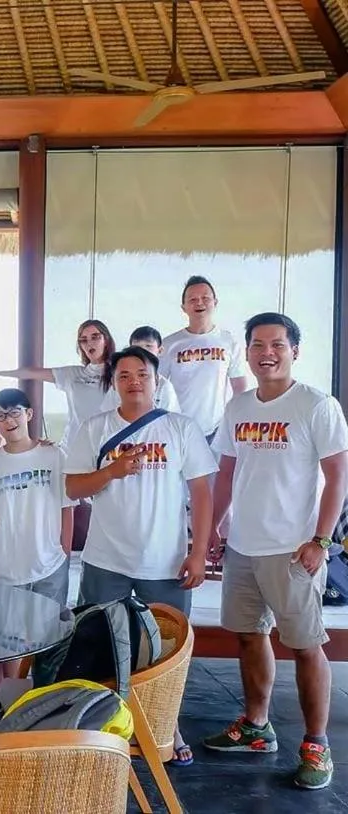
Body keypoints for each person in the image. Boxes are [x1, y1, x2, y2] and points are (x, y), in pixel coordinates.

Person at [201, 313, 348, 791]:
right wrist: (214, 528)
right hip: (243, 545)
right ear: (247, 351)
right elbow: (226, 472)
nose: (268, 352)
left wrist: (321, 541)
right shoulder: (239, 406)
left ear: (294, 351)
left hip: (293, 550)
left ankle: (316, 743)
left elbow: (337, 477)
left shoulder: (316, 405)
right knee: (248, 636)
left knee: (306, 646)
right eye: (258, 343)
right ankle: (257, 728)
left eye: (278, 344)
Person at [64, 345, 216, 766]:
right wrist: (111, 472)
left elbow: (202, 494)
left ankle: (168, 726)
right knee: (96, 641)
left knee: (167, 647)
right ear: (113, 382)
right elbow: (74, 489)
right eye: (124, 375)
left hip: (164, 560)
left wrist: (199, 552)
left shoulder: (181, 429)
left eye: (142, 374)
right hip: (105, 558)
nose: (134, 382)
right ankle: (98, 726)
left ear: (156, 380)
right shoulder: (94, 428)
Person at [0, 388, 75, 708]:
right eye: (0, 415)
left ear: (29, 414)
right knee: (9, 640)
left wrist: (64, 549)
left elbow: (67, 506)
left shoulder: (54, 455)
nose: (8, 420)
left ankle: (45, 703)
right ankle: (10, 704)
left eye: (14, 412)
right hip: (8, 564)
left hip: (50, 563)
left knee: (49, 637)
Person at [0, 319, 116, 451]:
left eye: (95, 337)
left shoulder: (118, 374)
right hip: (72, 449)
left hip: (107, 449)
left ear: (106, 340)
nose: (89, 343)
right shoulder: (73, 374)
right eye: (83, 340)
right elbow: (30, 373)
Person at [161, 276, 247, 443]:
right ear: (183, 307)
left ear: (215, 302)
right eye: (192, 299)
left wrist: (231, 422)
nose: (199, 302)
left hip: (216, 431)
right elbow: (157, 386)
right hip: (178, 430)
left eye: (205, 298)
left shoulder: (228, 341)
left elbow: (239, 386)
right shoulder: (169, 344)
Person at [100, 326, 180, 413]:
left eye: (148, 346)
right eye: (137, 348)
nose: (142, 352)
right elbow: (106, 415)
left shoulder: (164, 386)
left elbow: (171, 420)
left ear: (160, 351)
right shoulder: (119, 383)